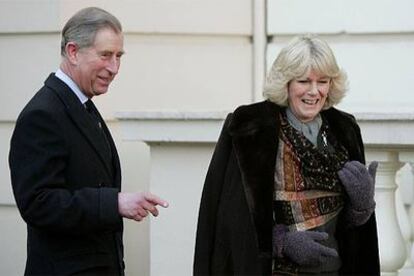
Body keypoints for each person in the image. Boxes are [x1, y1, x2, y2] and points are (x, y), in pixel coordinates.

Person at [194, 34, 379, 275]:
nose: (314, 92)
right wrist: (282, 242)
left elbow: (352, 234)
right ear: (286, 83)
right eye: (304, 81)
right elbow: (231, 219)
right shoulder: (250, 128)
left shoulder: (345, 129)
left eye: (322, 81)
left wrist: (361, 209)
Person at [9, 7, 168, 276]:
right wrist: (114, 203)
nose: (114, 68)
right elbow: (38, 203)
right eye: (105, 55)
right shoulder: (43, 114)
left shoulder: (82, 105)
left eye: (119, 56)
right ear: (73, 52)